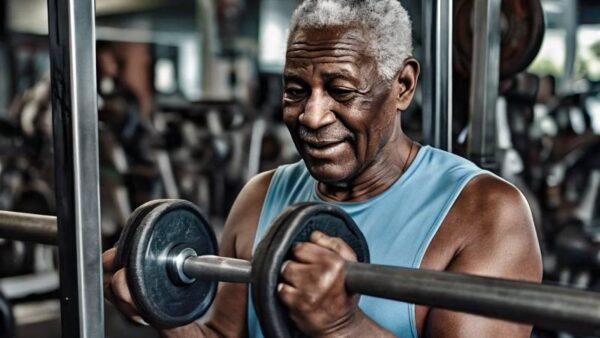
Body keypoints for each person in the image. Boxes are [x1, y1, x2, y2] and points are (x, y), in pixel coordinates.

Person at [103, 0, 542, 337]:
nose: (312, 116)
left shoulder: (486, 215)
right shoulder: (261, 196)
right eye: (296, 89)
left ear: (403, 86)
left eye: (341, 90)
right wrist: (163, 306)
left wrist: (342, 327)